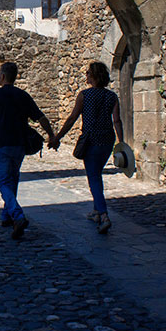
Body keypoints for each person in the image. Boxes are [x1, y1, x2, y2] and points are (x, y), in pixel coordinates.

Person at [0, 62, 57, 240]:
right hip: (19, 146)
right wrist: (52, 135)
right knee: (13, 179)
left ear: (3, 76)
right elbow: (41, 117)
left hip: (3, 145)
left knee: (3, 183)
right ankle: (7, 216)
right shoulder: (23, 96)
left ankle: (18, 216)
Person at [51, 61, 124, 234]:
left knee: (93, 177)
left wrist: (57, 137)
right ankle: (96, 211)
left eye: (88, 73)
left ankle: (104, 215)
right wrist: (121, 143)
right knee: (97, 174)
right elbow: (117, 121)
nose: (86, 76)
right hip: (107, 140)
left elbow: (72, 119)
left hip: (91, 140)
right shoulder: (112, 96)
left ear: (93, 76)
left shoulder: (84, 95)